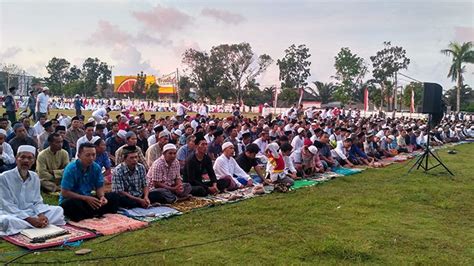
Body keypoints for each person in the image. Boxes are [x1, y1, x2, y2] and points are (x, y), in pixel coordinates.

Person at [0, 145, 65, 236]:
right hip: (12, 214)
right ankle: (34, 224)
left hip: (31, 212)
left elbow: (37, 201)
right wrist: (29, 219)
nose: (26, 160)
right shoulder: (4, 177)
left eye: (30, 158)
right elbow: (7, 205)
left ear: (33, 161)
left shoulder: (34, 177)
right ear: (16, 159)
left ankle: (34, 224)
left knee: (58, 210)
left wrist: (41, 215)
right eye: (22, 157)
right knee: (6, 221)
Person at [60, 143, 120, 222]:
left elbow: (99, 186)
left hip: (89, 199)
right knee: (71, 205)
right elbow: (65, 192)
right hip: (75, 199)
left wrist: (102, 197)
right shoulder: (71, 169)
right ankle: (94, 213)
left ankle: (91, 213)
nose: (91, 158)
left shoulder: (96, 167)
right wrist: (85, 198)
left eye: (93, 155)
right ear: (79, 155)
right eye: (87, 155)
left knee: (113, 197)